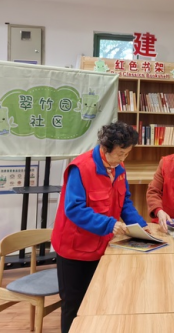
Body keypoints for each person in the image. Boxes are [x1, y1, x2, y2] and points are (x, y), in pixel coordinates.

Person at [52, 122, 148, 333]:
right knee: (74, 305)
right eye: (120, 153)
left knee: (98, 301)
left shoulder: (119, 168)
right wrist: (109, 224)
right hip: (75, 248)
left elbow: (124, 202)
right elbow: (74, 209)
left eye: (127, 153)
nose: (123, 159)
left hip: (102, 246)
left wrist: (141, 227)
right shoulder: (80, 168)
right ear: (105, 148)